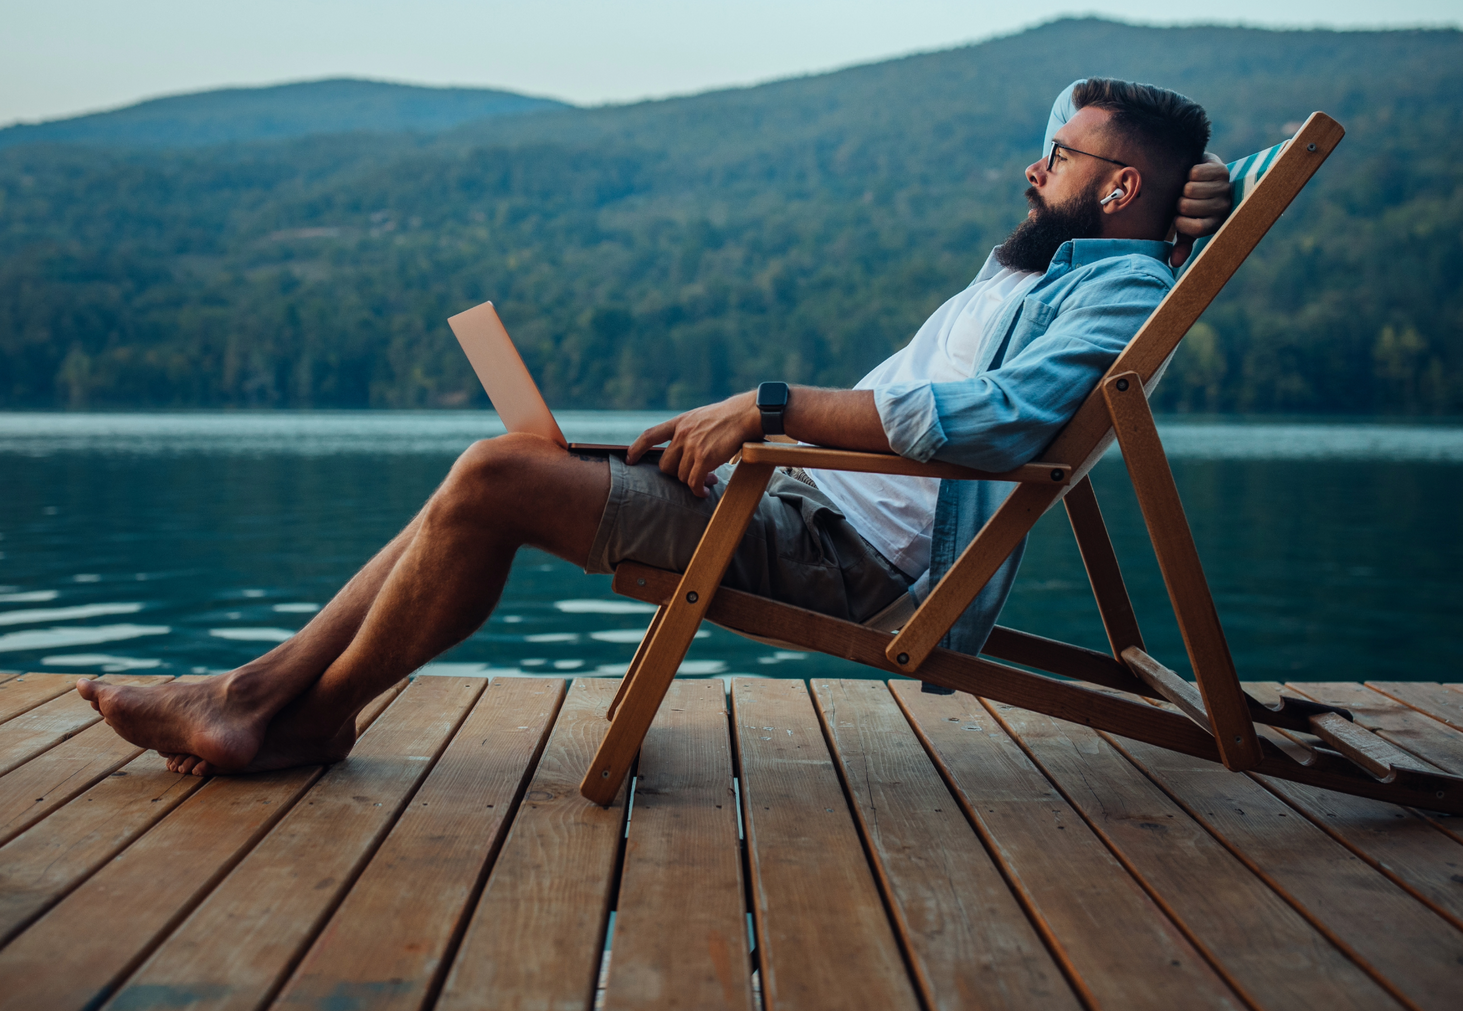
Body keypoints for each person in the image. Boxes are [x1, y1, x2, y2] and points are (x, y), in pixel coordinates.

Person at [79, 77, 1232, 775]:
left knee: (492, 479)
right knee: (517, 461)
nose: (1030, 164)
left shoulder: (1112, 288)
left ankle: (290, 714)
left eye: (1059, 156)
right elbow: (1087, 123)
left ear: (1120, 190)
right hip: (797, 499)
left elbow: (1001, 421)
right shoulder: (1049, 257)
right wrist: (1194, 174)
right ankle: (262, 699)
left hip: (847, 556)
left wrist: (772, 407)